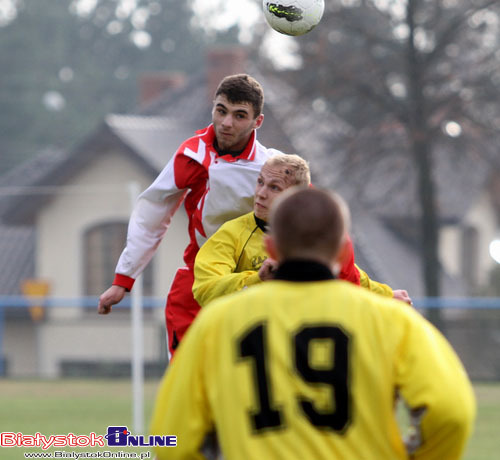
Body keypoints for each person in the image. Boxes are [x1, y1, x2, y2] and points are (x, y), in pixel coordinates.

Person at [150, 187, 475, 460]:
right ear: (343, 250)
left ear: (271, 248)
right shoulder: (393, 321)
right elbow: (450, 413)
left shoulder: (216, 324)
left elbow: (172, 437)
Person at [97, 73, 282, 355]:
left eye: (239, 115)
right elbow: (152, 211)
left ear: (258, 121)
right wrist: (124, 278)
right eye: (221, 111)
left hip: (256, 285)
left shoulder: (274, 167)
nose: (226, 123)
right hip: (199, 284)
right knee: (186, 387)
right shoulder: (194, 154)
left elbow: (315, 222)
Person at [193, 153, 411, 307]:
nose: (260, 193)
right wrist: (256, 280)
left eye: (274, 187)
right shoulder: (232, 233)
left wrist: (386, 295)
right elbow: (205, 288)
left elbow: (349, 274)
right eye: (260, 182)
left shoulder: (312, 234)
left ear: (295, 196)